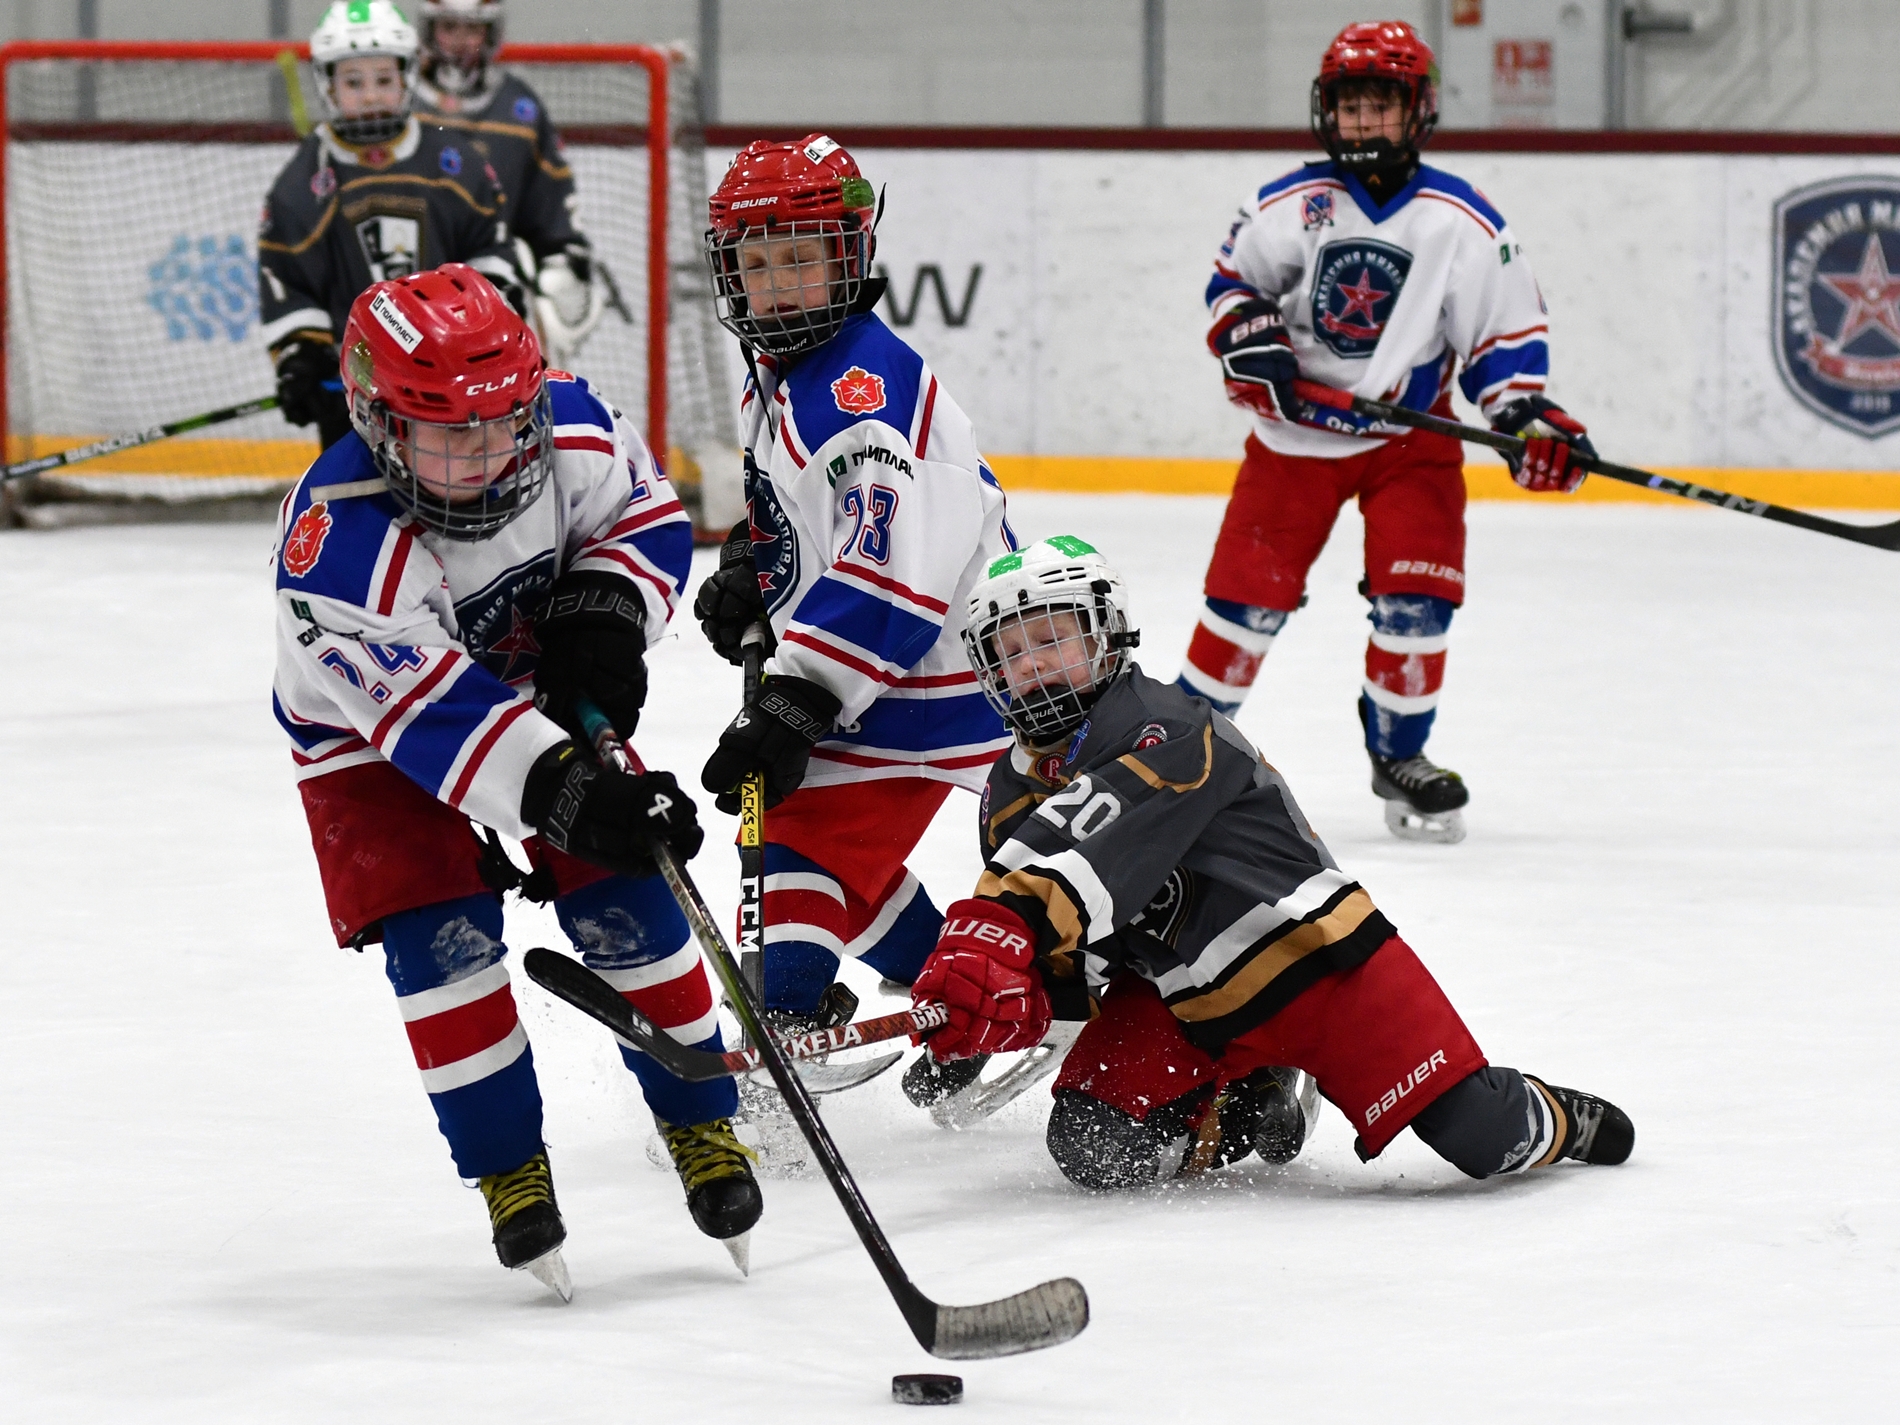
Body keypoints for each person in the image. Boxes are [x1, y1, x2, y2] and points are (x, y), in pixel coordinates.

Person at [271, 265, 758, 1296]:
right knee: (438, 943)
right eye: (455, 435)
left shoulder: (568, 423)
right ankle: (509, 1171)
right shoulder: (337, 552)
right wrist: (574, 799)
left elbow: (648, 517)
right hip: (372, 743)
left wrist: (605, 616)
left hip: (529, 684)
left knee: (627, 891)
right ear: (380, 424)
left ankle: (704, 1129)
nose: (494, 452)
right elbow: (438, 725)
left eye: (507, 421)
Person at [913, 535, 1634, 1192]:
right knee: (1095, 1147)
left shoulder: (1169, 726)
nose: (1032, 662)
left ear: (1106, 635)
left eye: (1051, 638)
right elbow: (1071, 957)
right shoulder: (1007, 794)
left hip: (1318, 964)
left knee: (1477, 1133)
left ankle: (1552, 1116)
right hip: (1179, 1002)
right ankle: (1248, 1097)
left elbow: (1078, 848)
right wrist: (1001, 1008)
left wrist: (995, 930)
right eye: (1010, 650)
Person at [1174, 20, 1596, 844]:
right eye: (1351, 105)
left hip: (1413, 443)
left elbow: (1501, 343)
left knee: (1418, 605)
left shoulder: (1462, 223)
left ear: (1418, 111)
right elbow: (1231, 285)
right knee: (1241, 611)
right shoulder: (1286, 205)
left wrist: (1526, 418)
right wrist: (1250, 334)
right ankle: (1174, 756)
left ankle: (1400, 752)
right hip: (1295, 437)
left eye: (1382, 105)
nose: (1365, 121)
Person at [692, 135, 1017, 1118]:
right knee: (836, 854)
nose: (781, 286)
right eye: (759, 262)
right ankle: (961, 1005)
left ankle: (785, 1023)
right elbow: (818, 513)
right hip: (890, 664)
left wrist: (798, 697)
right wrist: (764, 563)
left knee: (793, 838)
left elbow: (891, 573)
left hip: (927, 669)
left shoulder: (860, 391)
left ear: (852, 255)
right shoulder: (788, 365)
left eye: (803, 260)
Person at [260, 0, 526, 452]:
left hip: (452, 377)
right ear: (327, 85)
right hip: (363, 378)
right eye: (353, 82)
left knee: (461, 496)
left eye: (383, 79)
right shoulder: (303, 182)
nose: (370, 95)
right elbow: (288, 275)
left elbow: (489, 249)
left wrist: (492, 315)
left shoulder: (454, 163)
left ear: (406, 77)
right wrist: (301, 355)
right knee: (363, 506)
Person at [413, 0, 605, 366]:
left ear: (490, 32)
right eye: (449, 28)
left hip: (496, 292)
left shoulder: (520, 108)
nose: (459, 41)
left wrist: (560, 259)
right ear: (429, 29)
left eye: (472, 29)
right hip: (410, 289)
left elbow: (549, 200)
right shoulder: (399, 103)